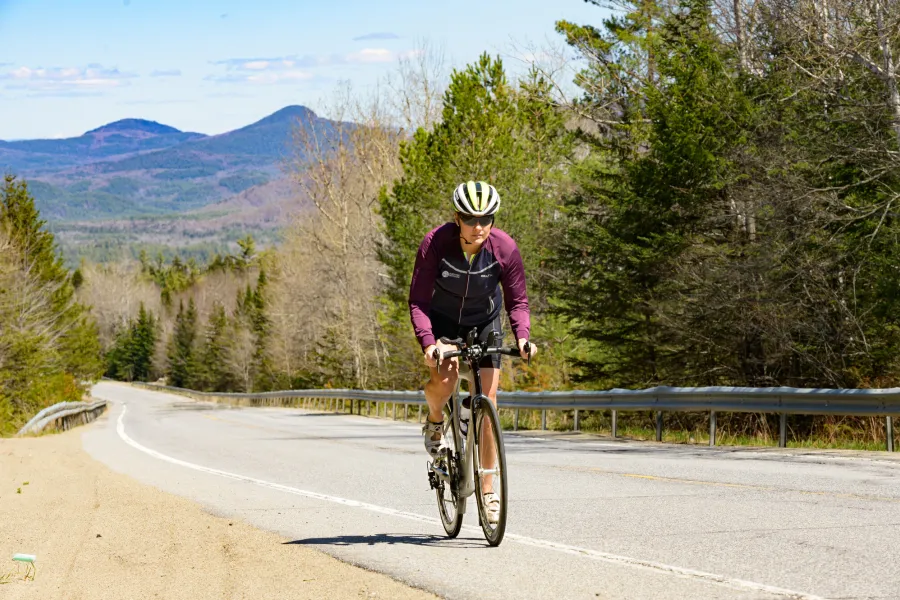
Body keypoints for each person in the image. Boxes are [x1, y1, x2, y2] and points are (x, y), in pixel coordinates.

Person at [408, 181, 537, 522]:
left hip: (485, 321)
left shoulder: (504, 247)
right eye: (469, 218)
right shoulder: (436, 244)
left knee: (489, 402)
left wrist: (523, 336)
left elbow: (518, 300)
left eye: (485, 218)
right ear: (457, 217)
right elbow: (419, 301)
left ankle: (488, 490)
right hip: (444, 324)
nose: (478, 226)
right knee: (446, 381)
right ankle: (436, 422)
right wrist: (429, 342)